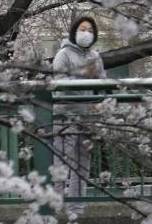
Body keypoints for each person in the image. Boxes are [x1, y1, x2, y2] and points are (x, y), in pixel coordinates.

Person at [51, 16, 105, 215]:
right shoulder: (63, 54)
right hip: (64, 116)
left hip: (87, 116)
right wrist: (84, 73)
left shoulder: (96, 57)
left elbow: (103, 84)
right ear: (74, 31)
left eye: (90, 30)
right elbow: (59, 84)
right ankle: (56, 207)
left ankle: (77, 208)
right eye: (83, 29)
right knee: (61, 162)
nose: (86, 33)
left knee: (82, 164)